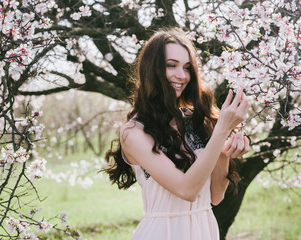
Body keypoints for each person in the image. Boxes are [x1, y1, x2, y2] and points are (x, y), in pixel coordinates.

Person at [104, 28, 251, 240]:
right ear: (151, 69)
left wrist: (224, 152)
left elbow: (215, 196)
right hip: (163, 232)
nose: (181, 75)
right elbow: (186, 190)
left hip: (204, 230)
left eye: (187, 67)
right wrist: (222, 130)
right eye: (171, 65)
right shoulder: (134, 132)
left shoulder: (196, 120)